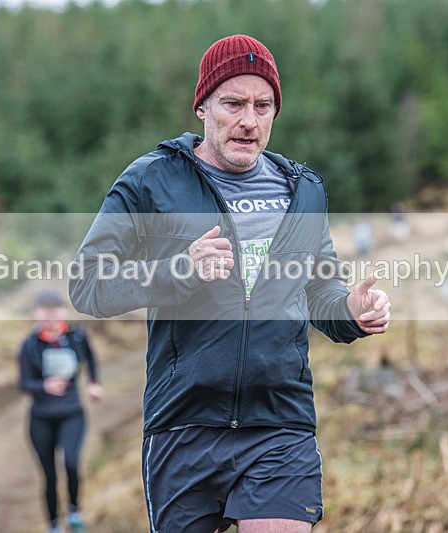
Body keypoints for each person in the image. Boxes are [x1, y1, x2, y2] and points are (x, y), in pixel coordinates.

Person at [69, 34, 390, 533]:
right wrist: (180, 269)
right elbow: (88, 284)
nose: (249, 121)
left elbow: (318, 293)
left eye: (263, 106)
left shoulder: (304, 191)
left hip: (279, 422)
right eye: (233, 104)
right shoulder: (152, 180)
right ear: (202, 107)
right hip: (184, 425)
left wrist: (351, 310)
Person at [18, 290, 103, 533]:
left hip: (72, 412)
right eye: (45, 311)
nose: (50, 316)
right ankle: (53, 525)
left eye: (55, 310)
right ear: (37, 313)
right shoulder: (30, 344)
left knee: (71, 462)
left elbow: (91, 358)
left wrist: (93, 383)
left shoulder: (77, 336)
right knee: (49, 476)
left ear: (63, 312)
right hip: (41, 418)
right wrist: (44, 386)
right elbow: (24, 383)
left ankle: (74, 511)